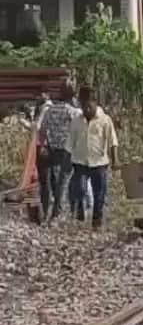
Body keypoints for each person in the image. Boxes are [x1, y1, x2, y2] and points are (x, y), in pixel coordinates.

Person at [67, 87, 118, 229]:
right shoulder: (76, 121)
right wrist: (67, 159)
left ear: (95, 102)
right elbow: (70, 141)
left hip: (99, 162)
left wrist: (115, 160)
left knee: (99, 193)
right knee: (80, 189)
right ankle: (81, 211)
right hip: (80, 161)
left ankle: (97, 219)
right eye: (83, 106)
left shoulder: (105, 120)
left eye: (89, 106)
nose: (86, 109)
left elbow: (113, 141)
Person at [35, 84, 79, 222]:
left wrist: (43, 146)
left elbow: (42, 130)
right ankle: (57, 212)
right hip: (66, 150)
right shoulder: (72, 112)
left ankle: (45, 211)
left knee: (46, 183)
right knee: (63, 182)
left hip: (51, 148)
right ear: (71, 96)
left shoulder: (49, 110)